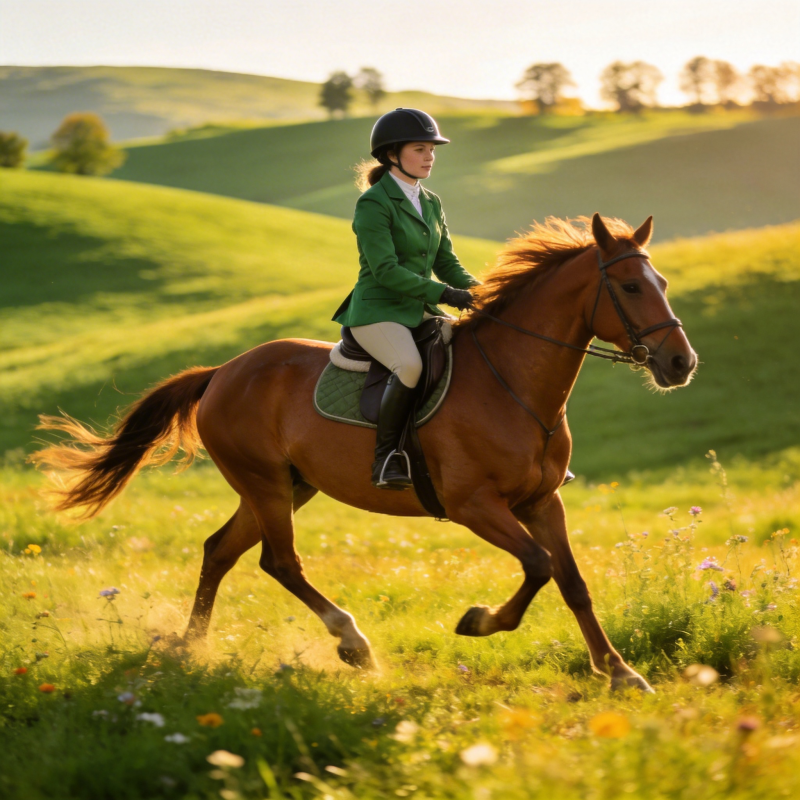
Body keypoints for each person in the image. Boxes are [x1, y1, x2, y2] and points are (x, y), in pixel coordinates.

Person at [332, 108, 480, 490]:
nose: (430, 156)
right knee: (410, 366)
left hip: (418, 309)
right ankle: (387, 458)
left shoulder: (430, 201)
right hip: (377, 311)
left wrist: (482, 292)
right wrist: (446, 294)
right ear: (393, 154)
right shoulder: (373, 204)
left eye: (432, 149)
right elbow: (386, 270)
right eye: (420, 148)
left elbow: (447, 261)